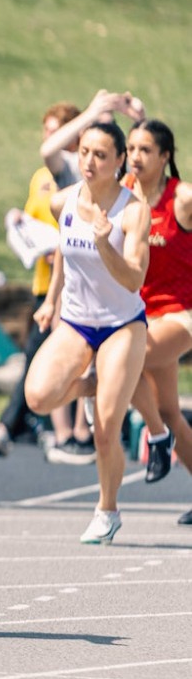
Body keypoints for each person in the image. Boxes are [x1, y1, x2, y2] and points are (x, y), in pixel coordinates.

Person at [24, 121, 150, 545]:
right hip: (78, 321)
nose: (89, 162)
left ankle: (107, 510)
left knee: (105, 429)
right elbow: (64, 247)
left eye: (100, 155)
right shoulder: (63, 200)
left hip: (121, 324)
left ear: (119, 161)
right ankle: (96, 385)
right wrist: (51, 299)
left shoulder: (133, 211)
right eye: (84, 153)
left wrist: (104, 244)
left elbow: (133, 280)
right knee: (38, 397)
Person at [0, 102, 82, 456]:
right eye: (46, 130)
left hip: (71, 286)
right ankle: (36, 428)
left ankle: (12, 426)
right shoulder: (41, 177)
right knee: (37, 357)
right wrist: (19, 222)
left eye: (56, 131)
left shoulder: (78, 175)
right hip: (44, 284)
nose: (47, 137)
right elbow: (33, 219)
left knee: (43, 358)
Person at [122, 120, 192, 524]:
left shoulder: (182, 199)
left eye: (146, 150)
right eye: (131, 148)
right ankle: (161, 431)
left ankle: (157, 440)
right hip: (141, 316)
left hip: (181, 315)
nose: (136, 156)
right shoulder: (123, 193)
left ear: (165, 157)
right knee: (168, 410)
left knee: (124, 357)